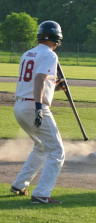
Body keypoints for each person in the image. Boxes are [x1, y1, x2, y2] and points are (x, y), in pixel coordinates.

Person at [11, 20, 65, 204]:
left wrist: (56, 87)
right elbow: (40, 79)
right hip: (34, 106)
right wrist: (38, 108)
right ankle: (42, 194)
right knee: (57, 151)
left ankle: (19, 184)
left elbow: (36, 82)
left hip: (19, 106)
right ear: (57, 38)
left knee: (42, 147)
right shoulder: (50, 55)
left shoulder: (27, 53)